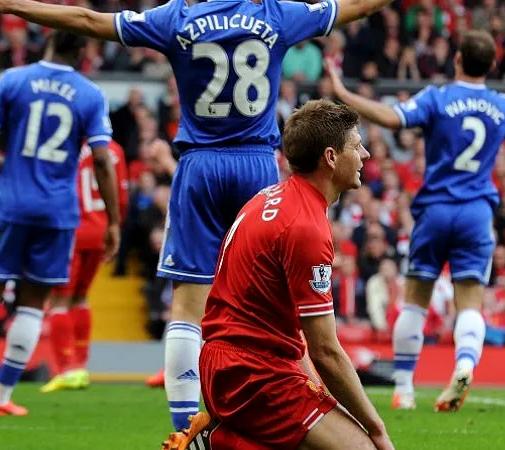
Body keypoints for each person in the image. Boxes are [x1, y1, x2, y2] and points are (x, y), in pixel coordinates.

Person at [0, 0, 396, 431]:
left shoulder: (177, 18)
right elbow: (356, 7)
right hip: (257, 166)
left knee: (187, 307)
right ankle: (288, 403)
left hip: (200, 166)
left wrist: (12, 5)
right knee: (278, 302)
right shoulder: (275, 15)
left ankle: (186, 427)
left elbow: (86, 20)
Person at [326, 29, 505, 411]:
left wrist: (345, 93)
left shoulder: (438, 97)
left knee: (415, 301)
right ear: (492, 65)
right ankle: (465, 364)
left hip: (435, 209)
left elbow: (391, 118)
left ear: (457, 60)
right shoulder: (503, 105)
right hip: (476, 213)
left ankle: (403, 388)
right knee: (470, 301)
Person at [162, 100, 393, 450]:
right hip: (253, 374)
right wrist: (376, 429)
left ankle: (222, 440)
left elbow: (290, 328)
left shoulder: (268, 198)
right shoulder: (307, 227)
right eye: (356, 145)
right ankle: (217, 442)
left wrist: (317, 392)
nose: (364, 154)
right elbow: (326, 350)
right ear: (330, 157)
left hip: (231, 362)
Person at [0, 31, 120, 416]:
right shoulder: (90, 93)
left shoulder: (13, 80)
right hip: (58, 213)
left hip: (12, 204)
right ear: (82, 51)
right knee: (34, 304)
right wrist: (114, 220)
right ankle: (1, 397)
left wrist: (6, 169)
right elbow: (101, 159)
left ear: (46, 44)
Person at [41, 140, 129, 393]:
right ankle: (80, 366)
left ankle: (67, 368)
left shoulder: (64, 145)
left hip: (71, 230)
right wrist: (114, 226)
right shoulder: (114, 149)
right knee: (80, 298)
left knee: (59, 300)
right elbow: (122, 196)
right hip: (101, 231)